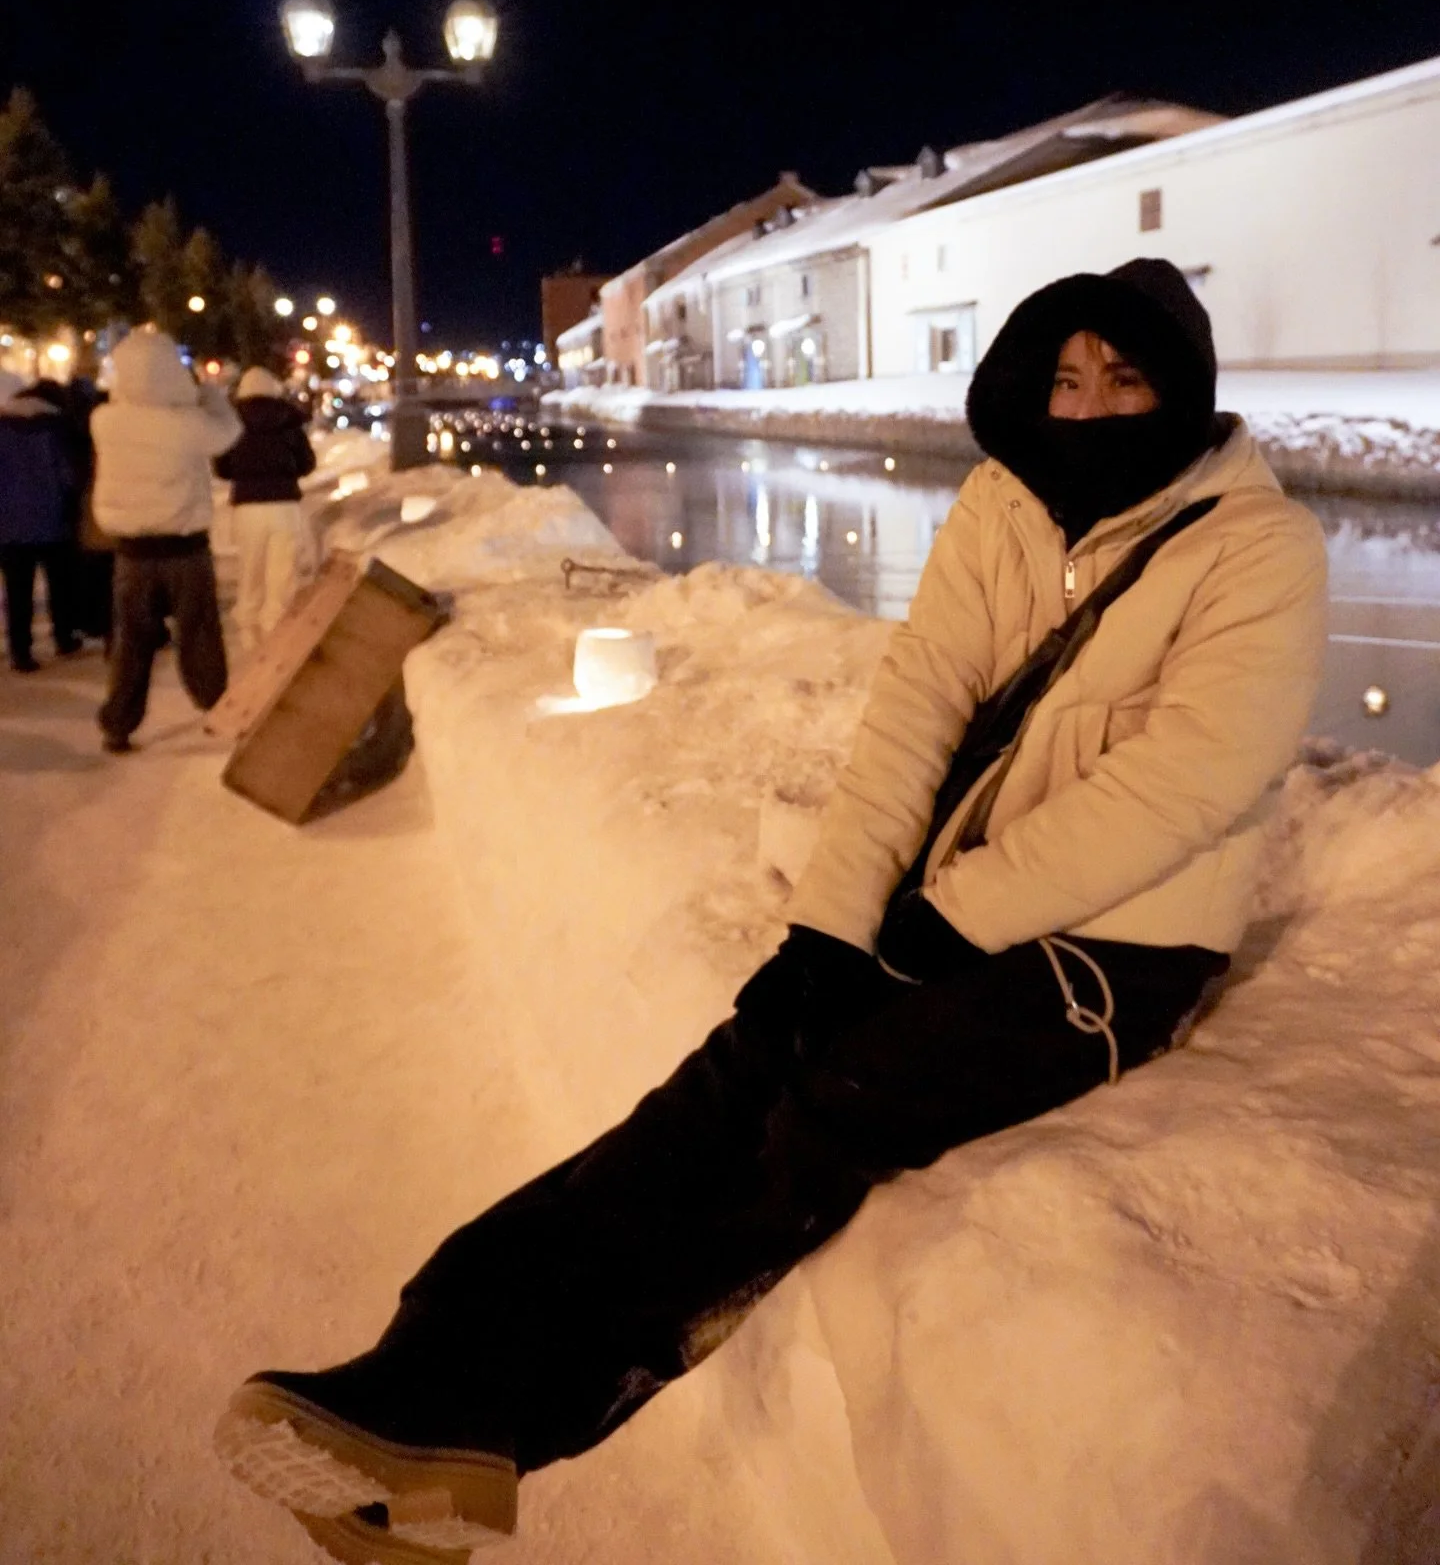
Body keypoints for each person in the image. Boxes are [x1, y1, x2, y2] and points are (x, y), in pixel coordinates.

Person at [214, 258, 1328, 1564]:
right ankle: (427, 1363)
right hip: (957, 911)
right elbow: (916, 711)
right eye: (1065, 380)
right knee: (733, 1069)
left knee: (827, 1105)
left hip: (1116, 948)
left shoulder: (1262, 550)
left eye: (1123, 381)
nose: (1084, 412)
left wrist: (937, 928)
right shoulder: (1004, 504)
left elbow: (1181, 785)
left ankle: (489, 1431)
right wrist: (831, 931)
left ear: (1184, 392)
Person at [91, 328, 241, 753]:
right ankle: (218, 709)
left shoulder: (104, 421)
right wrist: (211, 396)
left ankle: (118, 723)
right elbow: (227, 434)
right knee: (198, 637)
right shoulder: (184, 423)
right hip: (184, 549)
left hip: (131, 553)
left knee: (130, 640)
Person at [214, 365, 316, 654]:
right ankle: (276, 634)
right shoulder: (288, 421)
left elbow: (222, 468)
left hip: (247, 508)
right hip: (284, 507)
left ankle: (248, 632)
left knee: (250, 569)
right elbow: (307, 464)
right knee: (282, 574)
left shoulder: (233, 423)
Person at [0, 369, 81, 671]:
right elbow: (67, 474)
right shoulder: (55, 427)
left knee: (17, 590)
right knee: (59, 583)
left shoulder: (2, 427)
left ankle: (20, 650)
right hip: (51, 517)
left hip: (9, 523)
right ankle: (63, 636)